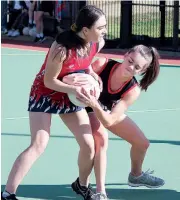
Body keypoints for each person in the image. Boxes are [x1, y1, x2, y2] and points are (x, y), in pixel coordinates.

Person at [1, 5, 107, 200]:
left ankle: (81, 185)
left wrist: (92, 75)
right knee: (39, 143)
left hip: (70, 95)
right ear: (85, 30)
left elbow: (87, 63)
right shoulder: (61, 48)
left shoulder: (96, 42)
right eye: (100, 28)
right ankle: (8, 193)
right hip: (46, 92)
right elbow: (49, 81)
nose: (104, 31)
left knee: (88, 145)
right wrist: (75, 89)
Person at [63, 45, 165, 198]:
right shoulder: (103, 64)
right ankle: (100, 192)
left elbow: (110, 120)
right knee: (101, 140)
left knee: (142, 143)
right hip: (84, 105)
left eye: (137, 67)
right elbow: (74, 76)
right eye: (130, 61)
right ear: (125, 55)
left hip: (101, 109)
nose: (131, 67)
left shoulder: (133, 90)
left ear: (142, 71)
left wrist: (95, 104)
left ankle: (136, 176)